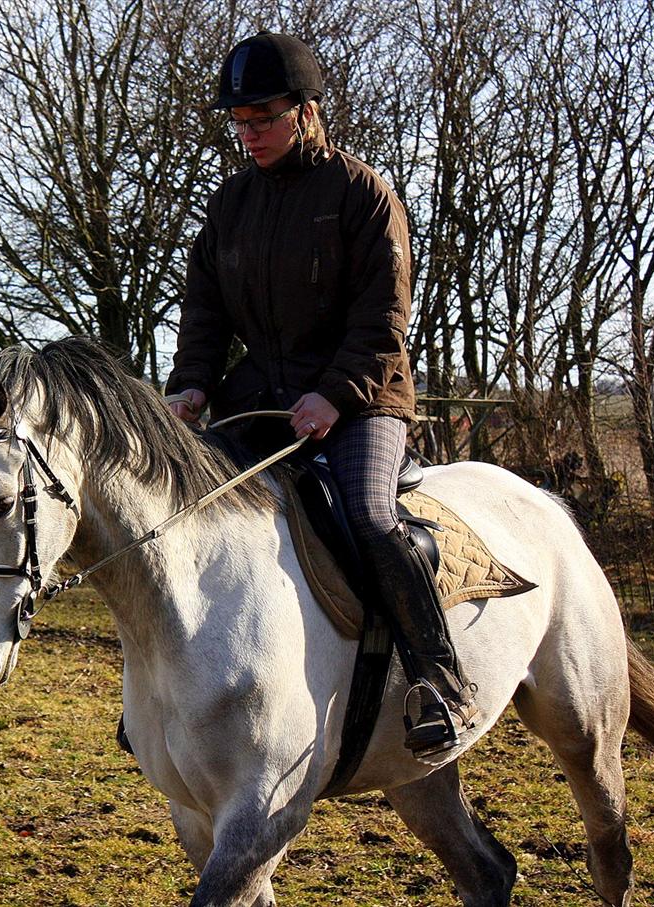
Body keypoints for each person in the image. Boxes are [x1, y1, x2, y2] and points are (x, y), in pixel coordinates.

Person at [165, 31, 480, 757]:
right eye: (239, 123)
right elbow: (204, 314)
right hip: (262, 397)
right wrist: (190, 386)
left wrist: (335, 396)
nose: (249, 135)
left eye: (263, 118)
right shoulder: (230, 206)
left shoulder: (362, 195)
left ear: (307, 112)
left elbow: (383, 323)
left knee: (370, 517)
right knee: (184, 503)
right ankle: (174, 690)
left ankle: (439, 679)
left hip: (364, 398)